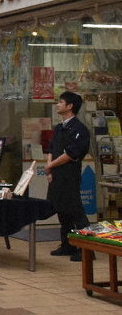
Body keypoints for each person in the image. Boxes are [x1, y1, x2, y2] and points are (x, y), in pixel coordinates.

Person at [45, 91, 91, 262]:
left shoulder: (80, 129)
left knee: (76, 211)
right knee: (62, 210)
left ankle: (86, 249)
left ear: (70, 106)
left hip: (69, 176)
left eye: (61, 102)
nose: (57, 104)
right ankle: (67, 245)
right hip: (56, 175)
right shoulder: (59, 128)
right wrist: (49, 169)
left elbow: (71, 154)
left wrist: (51, 166)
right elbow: (51, 148)